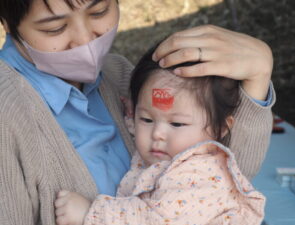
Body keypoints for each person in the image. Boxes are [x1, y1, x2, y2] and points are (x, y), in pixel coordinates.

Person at [0, 0, 274, 224]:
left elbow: (212, 181)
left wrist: (257, 79)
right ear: (9, 25)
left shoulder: (117, 73)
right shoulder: (7, 112)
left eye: (99, 11)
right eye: (55, 28)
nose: (85, 40)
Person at [54, 45, 266, 225]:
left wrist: (91, 212)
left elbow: (155, 220)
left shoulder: (199, 173)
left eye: (177, 123)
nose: (157, 134)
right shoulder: (172, 149)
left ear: (220, 128)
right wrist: (131, 113)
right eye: (147, 119)